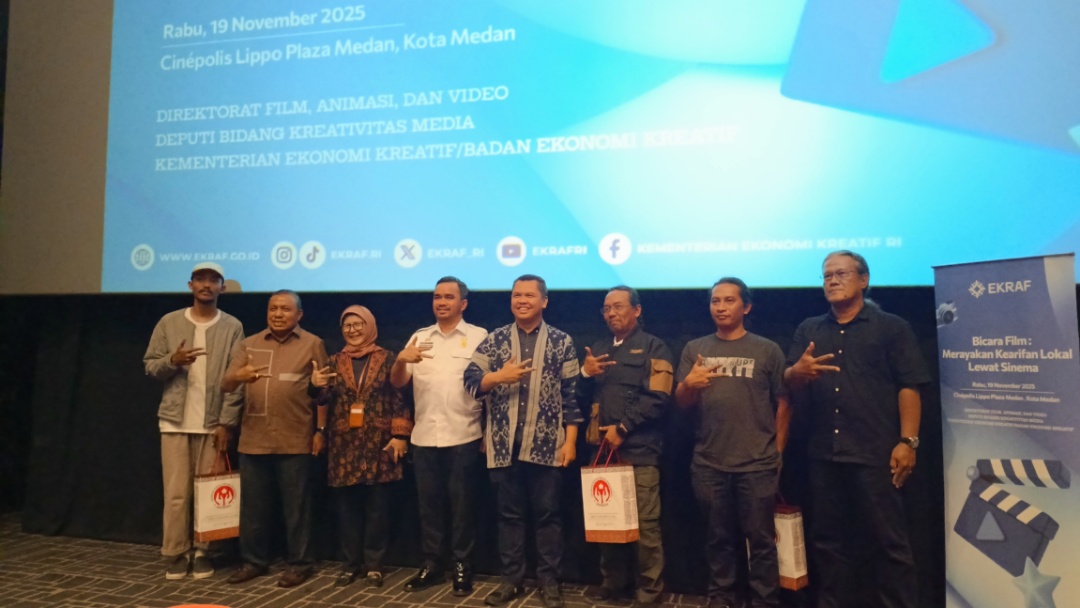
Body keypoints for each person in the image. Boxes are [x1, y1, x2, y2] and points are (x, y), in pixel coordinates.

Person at [784, 251, 929, 608]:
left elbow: (909, 385)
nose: (832, 281)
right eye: (826, 276)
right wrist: (796, 373)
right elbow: (789, 380)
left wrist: (908, 441)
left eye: (841, 274)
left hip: (875, 452)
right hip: (823, 453)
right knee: (827, 542)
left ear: (863, 280)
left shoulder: (891, 327)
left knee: (889, 543)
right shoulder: (809, 329)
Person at [463, 274, 582, 608]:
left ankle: (550, 583)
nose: (521, 300)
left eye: (529, 295)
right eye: (516, 295)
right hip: (503, 446)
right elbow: (469, 380)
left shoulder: (562, 341)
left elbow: (572, 397)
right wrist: (498, 377)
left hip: (547, 446)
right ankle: (511, 582)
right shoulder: (495, 340)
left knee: (548, 517)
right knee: (509, 519)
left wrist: (570, 441)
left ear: (544, 301)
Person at [675, 278, 790, 608]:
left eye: (729, 300)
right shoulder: (695, 349)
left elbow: (784, 403)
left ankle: (765, 601)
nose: (721, 307)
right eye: (715, 301)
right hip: (709, 464)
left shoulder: (767, 349)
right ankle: (721, 597)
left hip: (757, 464)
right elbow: (681, 402)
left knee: (762, 542)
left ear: (746, 306)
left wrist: (778, 451)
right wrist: (689, 385)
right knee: (718, 539)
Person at [143, 261, 244, 580]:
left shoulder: (232, 326)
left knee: (207, 493)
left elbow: (236, 380)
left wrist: (226, 423)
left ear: (222, 288)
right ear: (190, 285)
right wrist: (173, 361)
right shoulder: (169, 322)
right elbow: (151, 366)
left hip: (212, 423)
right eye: (200, 279)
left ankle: (203, 552)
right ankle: (176, 552)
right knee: (175, 494)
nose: (206, 285)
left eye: (214, 280)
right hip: (174, 422)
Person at [221, 290, 329, 588]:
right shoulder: (249, 344)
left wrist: (320, 430)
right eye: (273, 308)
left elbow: (324, 394)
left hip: (296, 438)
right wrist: (238, 376)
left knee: (297, 510)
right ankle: (253, 562)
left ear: (299, 314)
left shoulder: (313, 344)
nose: (278, 314)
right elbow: (226, 385)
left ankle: (300, 564)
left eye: (285, 309)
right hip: (254, 439)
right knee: (253, 510)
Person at [389, 277, 488, 596]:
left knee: (462, 508)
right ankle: (432, 565)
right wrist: (400, 360)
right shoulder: (419, 337)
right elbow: (398, 383)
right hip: (424, 437)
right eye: (437, 297)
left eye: (448, 297)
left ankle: (462, 566)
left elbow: (490, 389)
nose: (441, 302)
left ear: (463, 304)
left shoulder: (479, 337)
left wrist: (488, 432)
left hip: (464, 435)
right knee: (428, 508)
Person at [578, 286, 673, 607]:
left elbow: (659, 396)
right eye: (606, 309)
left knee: (645, 526)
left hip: (640, 451)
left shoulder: (654, 347)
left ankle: (649, 591)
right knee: (607, 521)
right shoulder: (599, 349)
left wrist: (623, 428)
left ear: (637, 310)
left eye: (618, 307)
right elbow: (580, 398)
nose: (611, 313)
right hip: (602, 453)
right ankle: (613, 583)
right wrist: (585, 374)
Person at [311, 305, 413, 589]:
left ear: (370, 326)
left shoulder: (389, 358)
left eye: (358, 325)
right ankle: (350, 565)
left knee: (377, 510)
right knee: (347, 511)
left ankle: (374, 566)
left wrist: (400, 435)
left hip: (379, 444)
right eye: (347, 326)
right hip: (343, 447)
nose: (353, 330)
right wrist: (314, 385)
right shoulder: (333, 361)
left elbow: (401, 398)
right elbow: (322, 399)